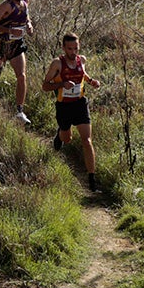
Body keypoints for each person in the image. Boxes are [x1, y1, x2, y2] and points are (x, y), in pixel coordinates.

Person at [42, 32, 102, 190]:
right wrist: (62, 85)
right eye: (69, 48)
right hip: (64, 106)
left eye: (76, 48)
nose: (73, 51)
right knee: (67, 139)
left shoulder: (81, 60)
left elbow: (83, 75)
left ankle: (91, 178)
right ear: (63, 48)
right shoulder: (57, 64)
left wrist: (91, 82)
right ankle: (60, 134)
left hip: (80, 103)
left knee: (87, 140)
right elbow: (45, 86)